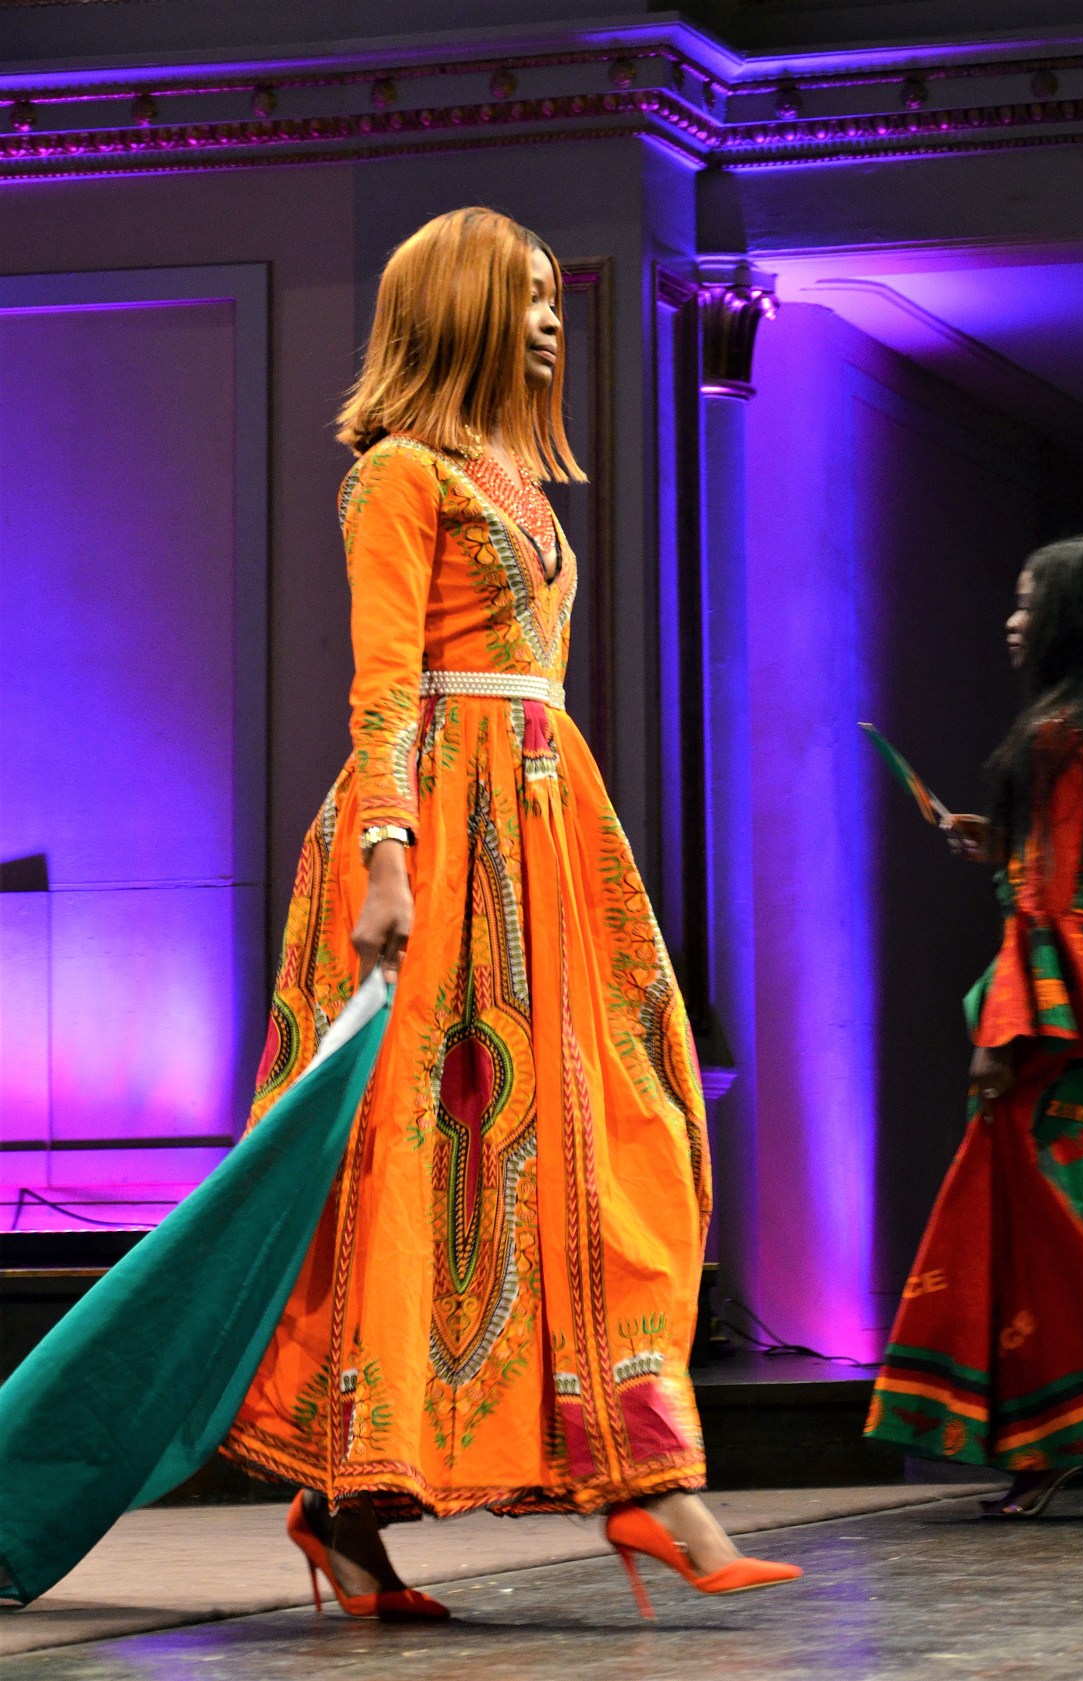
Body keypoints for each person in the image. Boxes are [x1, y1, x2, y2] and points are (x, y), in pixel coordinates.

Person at [224, 207, 800, 1615]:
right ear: (462, 306)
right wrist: (388, 853)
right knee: (430, 1163)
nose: (551, 319)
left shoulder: (521, 484)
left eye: (554, 295)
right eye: (527, 295)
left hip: (545, 830)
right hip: (438, 832)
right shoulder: (396, 473)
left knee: (619, 1134)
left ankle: (641, 1466)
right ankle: (356, 1505)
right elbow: (382, 681)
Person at [865, 536, 1083, 1517]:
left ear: (1068, 619)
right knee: (1039, 1220)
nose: (1012, 621)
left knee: (1055, 1221)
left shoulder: (1060, 732)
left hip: (1062, 1008)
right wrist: (1003, 841)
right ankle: (1054, 1442)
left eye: (1027, 602)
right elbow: (1075, 874)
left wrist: (1000, 1034)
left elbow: (1046, 906)